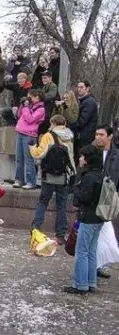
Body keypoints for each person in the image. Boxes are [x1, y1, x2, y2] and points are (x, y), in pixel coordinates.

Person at [64, 144, 104, 295]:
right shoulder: (101, 174)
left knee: (81, 252)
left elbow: (84, 198)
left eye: (82, 156)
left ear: (87, 160)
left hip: (88, 217)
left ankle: (80, 285)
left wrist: (76, 188)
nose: (80, 159)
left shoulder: (88, 177)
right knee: (92, 251)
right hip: (99, 217)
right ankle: (91, 282)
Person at [30, 115, 75, 244]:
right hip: (63, 176)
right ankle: (60, 234)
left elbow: (40, 153)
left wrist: (32, 148)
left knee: (43, 202)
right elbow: (70, 157)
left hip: (48, 176)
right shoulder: (69, 137)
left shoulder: (48, 136)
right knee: (62, 205)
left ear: (53, 123)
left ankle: (36, 228)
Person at [94, 124, 119, 279]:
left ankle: (98, 263)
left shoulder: (116, 156)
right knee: (97, 233)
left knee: (105, 232)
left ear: (109, 136)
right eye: (96, 134)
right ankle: (95, 264)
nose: (98, 137)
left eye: (101, 135)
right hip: (92, 197)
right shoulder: (91, 152)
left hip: (108, 198)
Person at [14, 89, 46, 189]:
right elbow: (20, 115)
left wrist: (26, 107)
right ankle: (19, 179)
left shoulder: (41, 109)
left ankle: (31, 182)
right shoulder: (29, 106)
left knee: (29, 160)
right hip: (20, 132)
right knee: (19, 159)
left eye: (32, 96)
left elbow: (30, 119)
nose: (30, 98)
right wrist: (22, 106)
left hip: (29, 135)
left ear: (38, 97)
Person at [70, 81, 99, 163]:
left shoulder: (89, 102)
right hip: (82, 135)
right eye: (78, 87)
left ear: (88, 88)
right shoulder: (84, 101)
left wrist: (70, 126)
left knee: (81, 160)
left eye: (81, 87)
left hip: (84, 137)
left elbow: (83, 121)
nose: (79, 89)